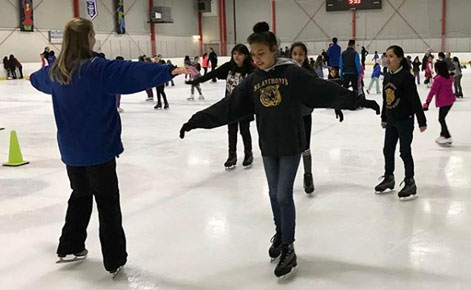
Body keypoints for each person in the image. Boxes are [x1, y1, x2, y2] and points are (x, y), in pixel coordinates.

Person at [179, 22, 379, 278]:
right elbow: (228, 107)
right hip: (269, 146)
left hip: (291, 145)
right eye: (253, 54)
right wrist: (196, 120)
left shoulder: (292, 74)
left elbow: (323, 90)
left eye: (261, 53)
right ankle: (281, 233)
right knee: (274, 195)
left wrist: (359, 100)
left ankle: (289, 247)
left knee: (283, 195)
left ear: (274, 49)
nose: (256, 58)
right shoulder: (253, 80)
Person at [29, 17, 185, 277]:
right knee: (107, 203)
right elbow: (132, 73)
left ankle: (70, 245)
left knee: (79, 195)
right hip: (99, 150)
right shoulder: (98, 69)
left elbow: (36, 79)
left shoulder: (57, 71)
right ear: (89, 37)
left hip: (72, 152)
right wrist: (167, 71)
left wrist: (34, 77)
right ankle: (114, 259)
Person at [186, 44, 255, 169]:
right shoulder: (229, 67)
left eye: (240, 54)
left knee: (245, 130)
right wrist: (197, 80)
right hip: (230, 105)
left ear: (245, 55)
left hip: (245, 107)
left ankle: (248, 154)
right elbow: (213, 74)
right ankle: (231, 156)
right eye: (234, 53)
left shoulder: (251, 70)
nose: (236, 56)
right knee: (231, 131)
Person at [290, 41, 344, 194]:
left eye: (301, 54)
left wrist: (336, 106)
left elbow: (323, 91)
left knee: (305, 146)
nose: (298, 57)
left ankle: (308, 175)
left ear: (305, 56)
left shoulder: (309, 73)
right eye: (295, 54)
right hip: (288, 116)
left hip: (305, 115)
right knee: (290, 147)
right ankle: (288, 177)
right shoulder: (285, 72)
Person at [375, 45, 427, 201]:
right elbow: (386, 99)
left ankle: (410, 181)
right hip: (391, 120)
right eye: (387, 56)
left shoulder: (406, 77)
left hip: (405, 120)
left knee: (404, 151)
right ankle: (389, 177)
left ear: (399, 58)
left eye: (391, 56)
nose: (388, 59)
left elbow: (414, 100)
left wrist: (421, 120)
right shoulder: (388, 76)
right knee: (387, 149)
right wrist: (384, 117)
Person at [423, 61, 456, 145]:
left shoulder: (439, 79)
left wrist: (427, 102)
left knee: (441, 119)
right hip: (450, 100)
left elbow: (432, 92)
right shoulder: (449, 77)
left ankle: (448, 136)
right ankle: (443, 134)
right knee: (442, 118)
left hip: (444, 101)